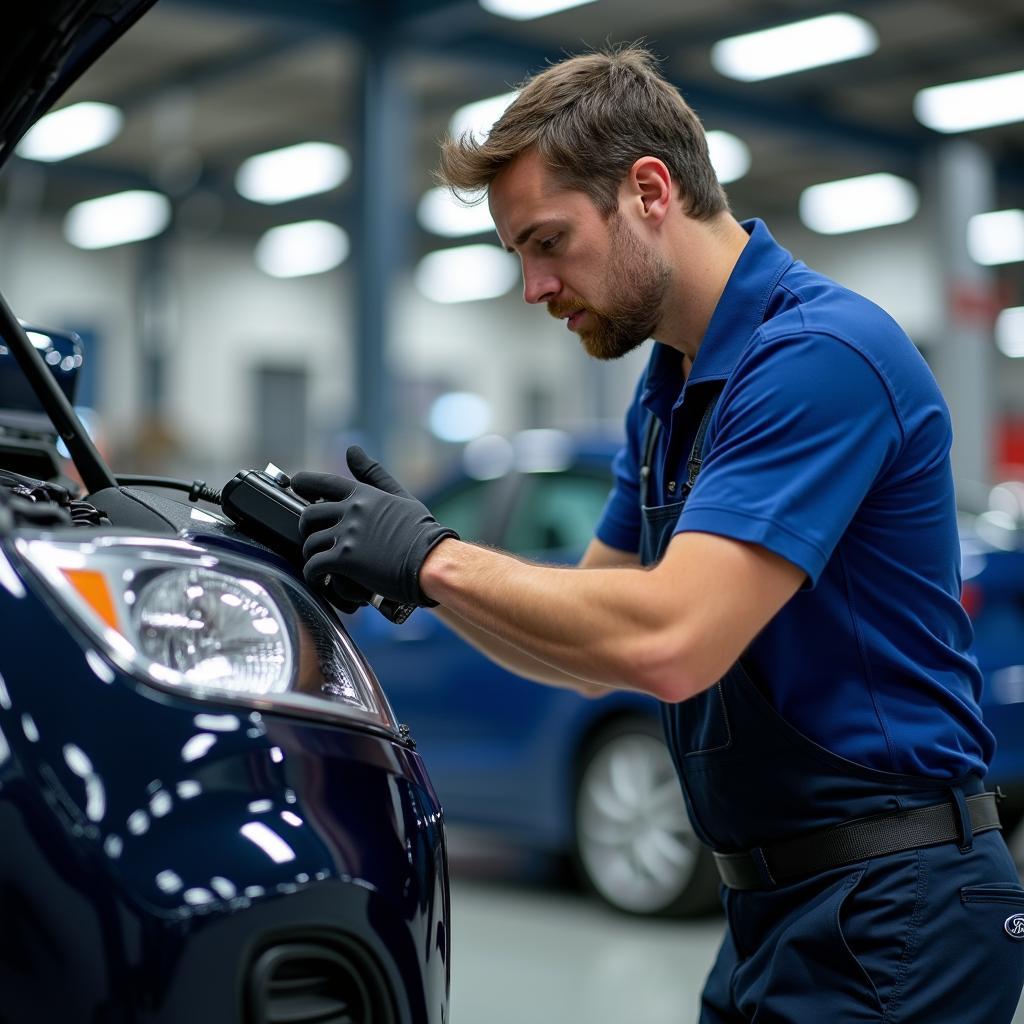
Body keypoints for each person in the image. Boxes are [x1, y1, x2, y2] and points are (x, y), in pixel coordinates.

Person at [291, 45, 1024, 1023]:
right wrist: (428, 580)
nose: (534, 288)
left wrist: (435, 554)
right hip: (776, 904)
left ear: (647, 190)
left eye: (547, 242)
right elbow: (597, 652)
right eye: (518, 255)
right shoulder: (671, 388)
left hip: (896, 901)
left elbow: (669, 640)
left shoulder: (817, 356)